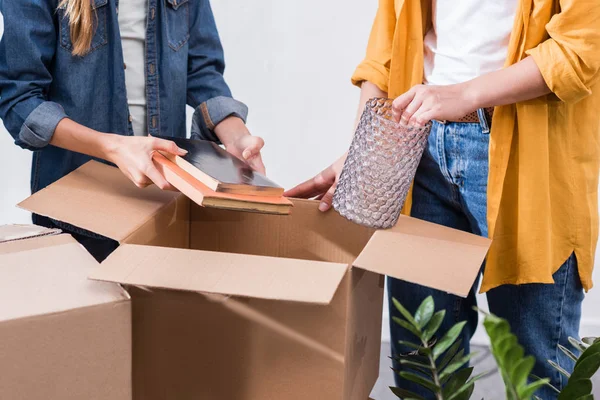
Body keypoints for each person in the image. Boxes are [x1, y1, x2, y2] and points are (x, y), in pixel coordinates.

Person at [286, 0, 599, 398]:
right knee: (425, 365)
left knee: (538, 376)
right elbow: (386, 45)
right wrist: (368, 148)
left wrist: (464, 94)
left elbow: (579, 47)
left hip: (529, 157)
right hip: (415, 148)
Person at [0, 0, 265, 262]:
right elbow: (20, 100)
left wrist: (235, 134)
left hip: (163, 208)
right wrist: (113, 148)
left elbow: (201, 71)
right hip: (76, 216)